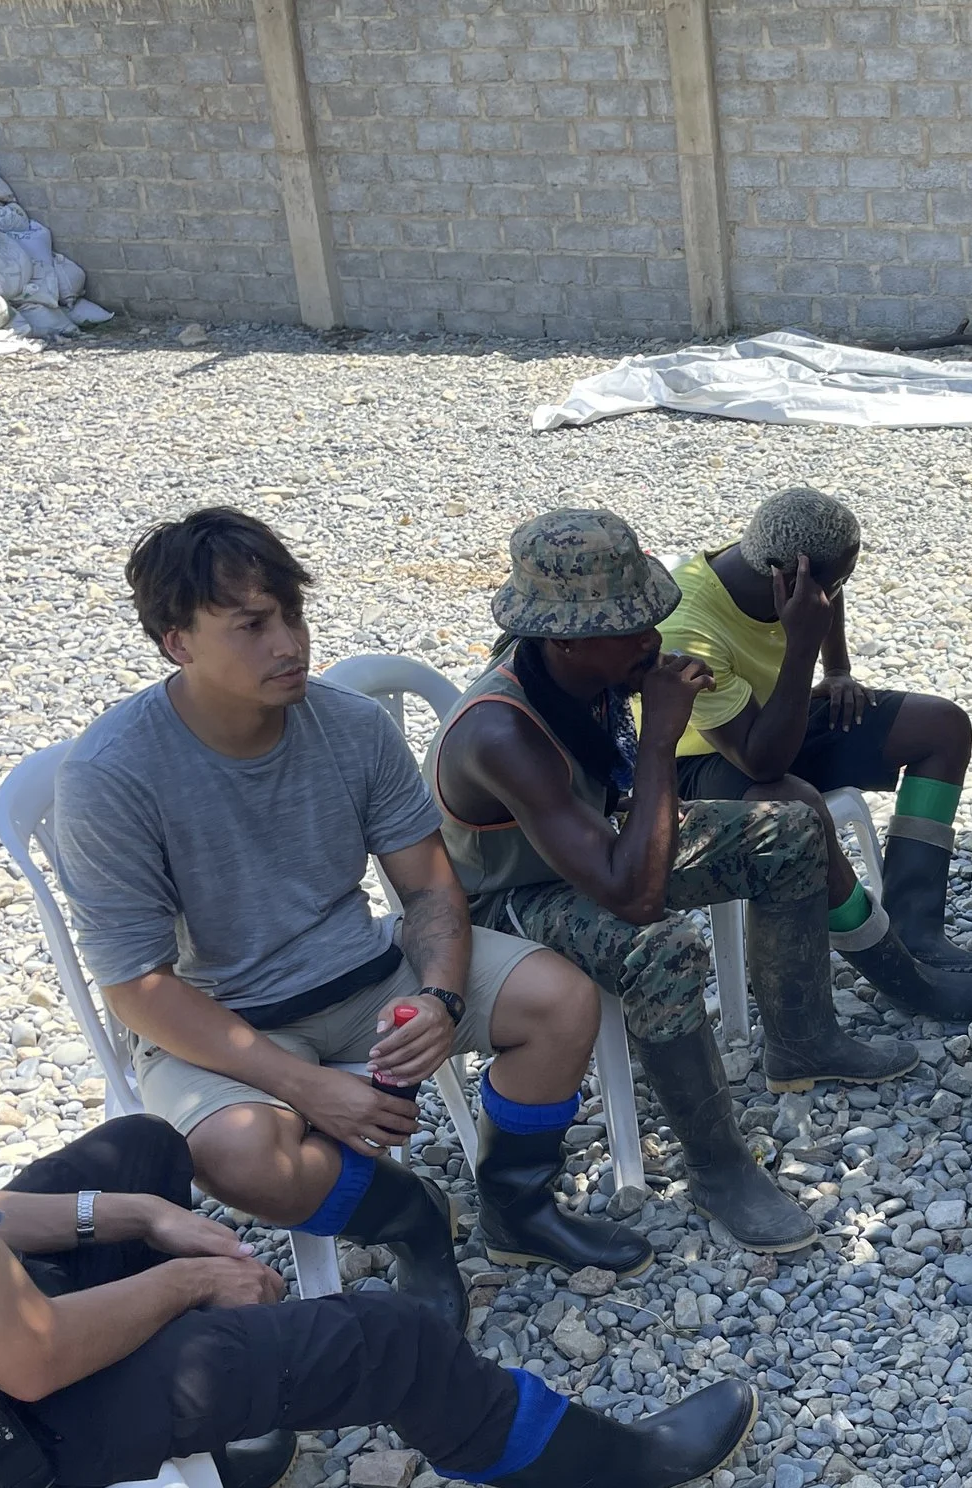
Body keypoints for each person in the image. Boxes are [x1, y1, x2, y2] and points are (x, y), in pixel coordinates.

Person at [0, 738, 755, 1488]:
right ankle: (614, 1468)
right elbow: (29, 1358)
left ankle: (196, 1454)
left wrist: (132, 1215)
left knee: (143, 1150)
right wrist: (188, 1284)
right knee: (391, 1339)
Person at [51, 508, 659, 1330]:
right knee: (237, 1155)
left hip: (366, 969)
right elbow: (136, 986)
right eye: (252, 626)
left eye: (293, 615)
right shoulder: (110, 775)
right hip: (220, 1017)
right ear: (177, 642)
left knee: (562, 998)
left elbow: (431, 888)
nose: (289, 644)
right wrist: (309, 1089)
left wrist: (441, 996)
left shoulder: (349, 724)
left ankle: (518, 1206)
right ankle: (412, 1221)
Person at [428, 511, 919, 1257]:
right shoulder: (503, 733)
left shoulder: (586, 670)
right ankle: (719, 1166)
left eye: (648, 617)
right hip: (508, 901)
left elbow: (622, 829)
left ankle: (804, 1037)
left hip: (597, 843)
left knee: (791, 827)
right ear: (564, 638)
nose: (653, 638)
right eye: (630, 629)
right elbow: (635, 897)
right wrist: (661, 733)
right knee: (657, 948)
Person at [658, 487, 972, 1021]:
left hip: (777, 716)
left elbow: (827, 600)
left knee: (943, 726)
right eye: (838, 581)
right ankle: (898, 973)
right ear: (792, 582)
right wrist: (802, 647)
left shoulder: (777, 563)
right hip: (699, 759)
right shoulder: (687, 626)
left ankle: (915, 928)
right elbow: (762, 762)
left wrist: (836, 668)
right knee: (796, 806)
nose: (841, 592)